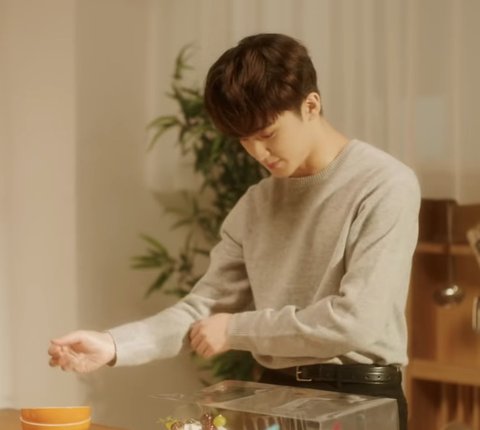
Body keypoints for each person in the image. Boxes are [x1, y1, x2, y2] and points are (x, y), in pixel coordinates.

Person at [48, 33, 420, 430]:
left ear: (311, 105)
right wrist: (113, 345)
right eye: (244, 140)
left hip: (358, 399)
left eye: (267, 134)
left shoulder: (384, 184)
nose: (258, 153)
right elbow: (203, 311)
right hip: (273, 397)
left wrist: (237, 329)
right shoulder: (256, 204)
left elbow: (356, 321)